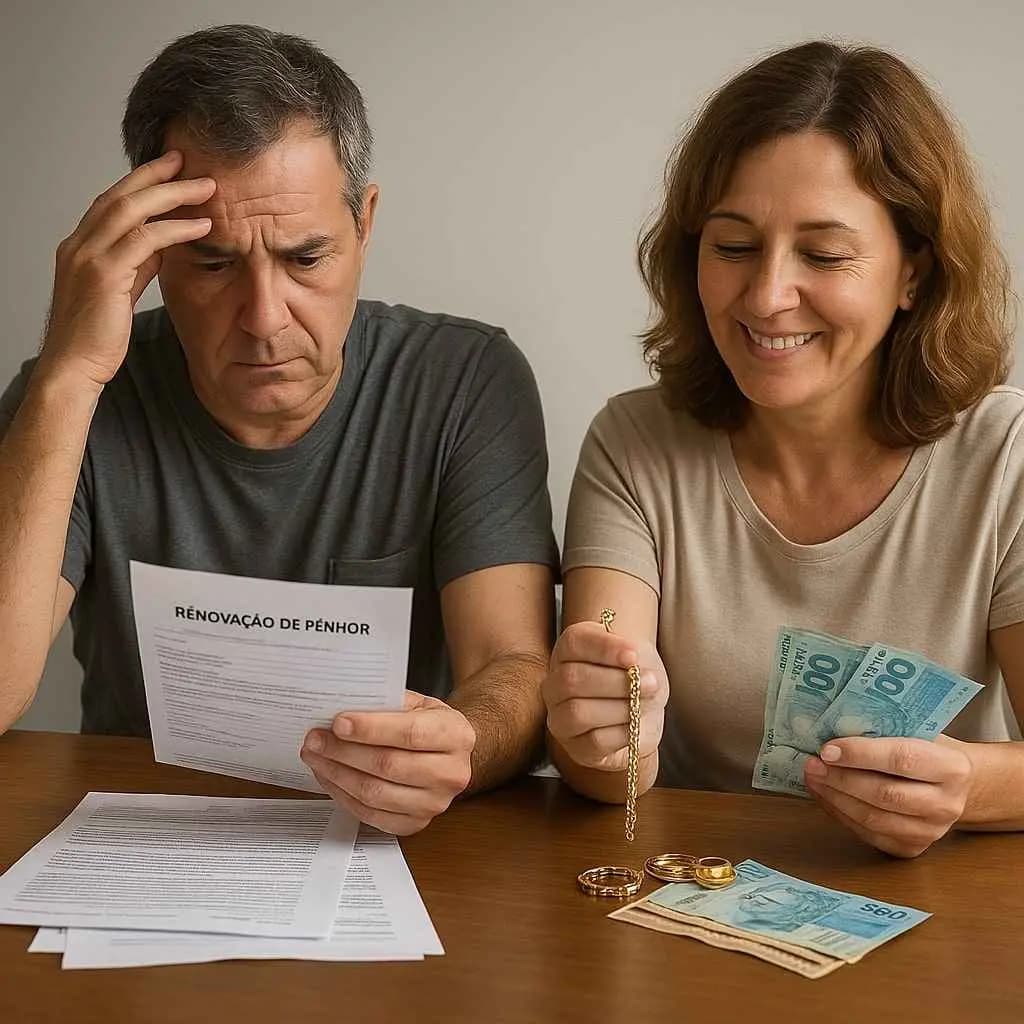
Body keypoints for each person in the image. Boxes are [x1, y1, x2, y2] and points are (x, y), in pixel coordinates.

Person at [0, 25, 559, 835]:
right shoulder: (74, 396)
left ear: (364, 225)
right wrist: (65, 376)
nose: (264, 320)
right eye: (215, 265)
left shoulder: (464, 379)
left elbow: (513, 666)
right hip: (139, 840)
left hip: (385, 847)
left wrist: (462, 743)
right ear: (147, 256)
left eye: (305, 259)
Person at [544, 40, 1024, 857]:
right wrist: (598, 737)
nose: (767, 297)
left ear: (914, 272)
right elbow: (596, 765)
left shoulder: (1005, 454)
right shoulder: (634, 443)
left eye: (824, 254)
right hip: (686, 892)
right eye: (732, 246)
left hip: (935, 907)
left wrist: (968, 789)